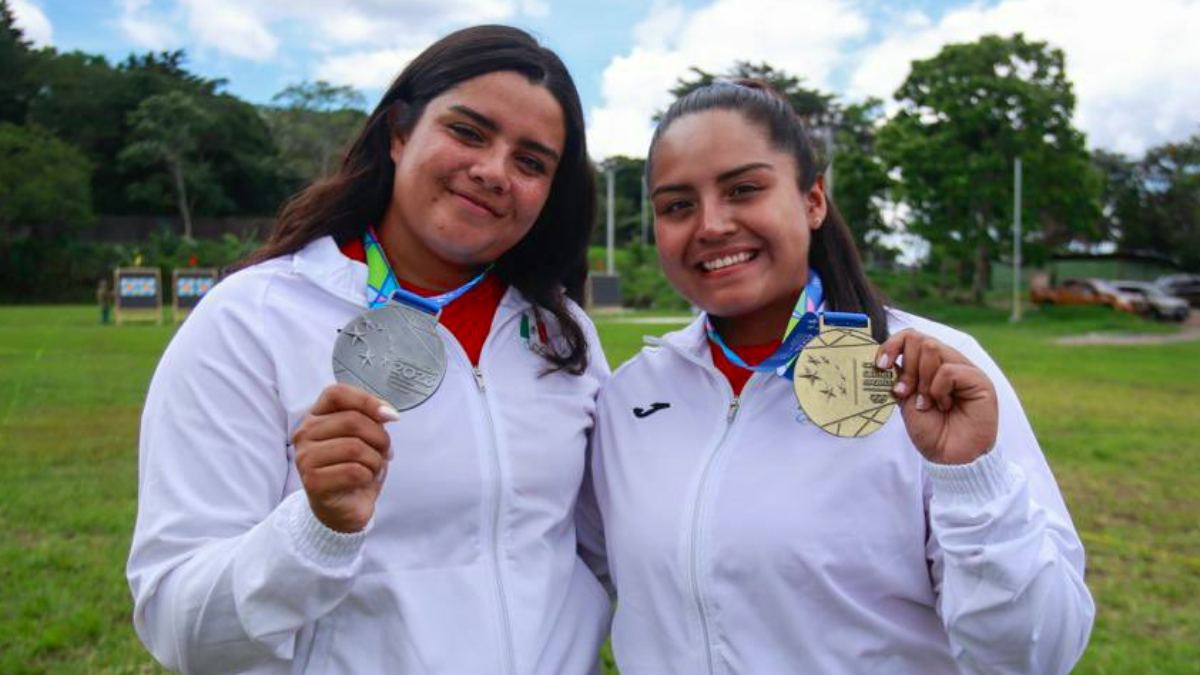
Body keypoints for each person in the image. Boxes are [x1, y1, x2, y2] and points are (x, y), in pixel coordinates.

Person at [128, 26, 612, 674]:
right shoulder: (252, 320)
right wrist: (318, 528)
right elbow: (178, 623)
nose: (494, 171)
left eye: (531, 162)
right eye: (468, 132)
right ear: (399, 133)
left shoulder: (562, 336)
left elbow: (607, 552)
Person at [581, 81, 1095, 674]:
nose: (711, 225)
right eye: (677, 206)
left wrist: (971, 482)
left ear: (813, 200)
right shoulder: (634, 395)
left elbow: (1036, 655)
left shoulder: (933, 372)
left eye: (744, 189)